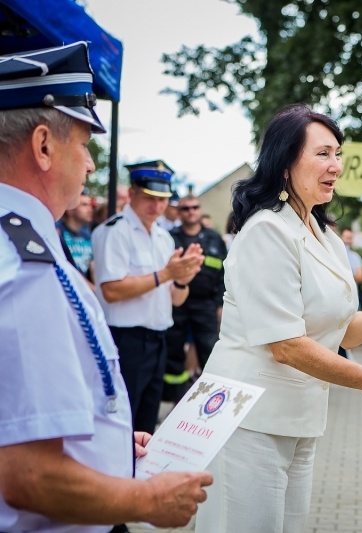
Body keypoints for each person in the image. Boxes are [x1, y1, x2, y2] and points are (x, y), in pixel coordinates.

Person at [0, 41, 211, 533]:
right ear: (44, 147)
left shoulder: (23, 242)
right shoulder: (28, 269)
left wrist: (110, 450)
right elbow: (29, 475)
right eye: (85, 143)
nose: (92, 164)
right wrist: (146, 498)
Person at [195, 104, 362, 533]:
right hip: (249, 421)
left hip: (301, 419)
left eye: (338, 154)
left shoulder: (327, 238)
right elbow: (285, 344)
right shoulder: (267, 231)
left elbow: (341, 330)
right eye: (323, 154)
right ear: (285, 163)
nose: (336, 166)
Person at [92, 160, 205, 434]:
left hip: (158, 340)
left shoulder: (163, 237)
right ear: (131, 194)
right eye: (149, 198)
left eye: (163, 200)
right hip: (126, 340)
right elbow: (112, 290)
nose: (157, 206)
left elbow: (176, 300)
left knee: (146, 425)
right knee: (122, 425)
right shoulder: (113, 231)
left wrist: (181, 279)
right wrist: (167, 274)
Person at [164, 195, 227, 402]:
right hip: (177, 304)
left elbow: (224, 273)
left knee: (210, 353)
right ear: (179, 212)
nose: (190, 211)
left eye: (194, 207)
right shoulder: (169, 238)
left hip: (205, 305)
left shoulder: (214, 238)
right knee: (173, 353)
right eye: (185, 208)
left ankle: (210, 401)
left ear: (199, 210)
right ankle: (176, 401)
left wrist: (219, 303)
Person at [56, 186, 96, 287]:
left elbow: (93, 266)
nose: (90, 209)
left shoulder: (87, 234)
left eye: (90, 205)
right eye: (84, 205)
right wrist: (91, 289)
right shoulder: (58, 232)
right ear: (70, 210)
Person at [338, 227, 362, 359]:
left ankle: (347, 355)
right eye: (346, 237)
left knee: (351, 326)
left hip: (352, 296)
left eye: (350, 238)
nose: (348, 240)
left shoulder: (355, 257)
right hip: (337, 297)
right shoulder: (333, 252)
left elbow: (360, 277)